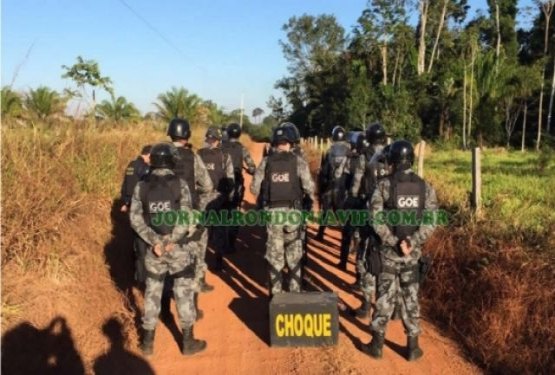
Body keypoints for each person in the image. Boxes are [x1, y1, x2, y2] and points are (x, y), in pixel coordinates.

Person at [361, 140, 438, 361]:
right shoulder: (425, 187)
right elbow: (430, 222)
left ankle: (377, 345)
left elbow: (375, 219)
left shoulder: (383, 185)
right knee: (411, 298)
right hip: (411, 255)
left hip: (388, 252)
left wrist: (393, 241)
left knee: (385, 297)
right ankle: (413, 348)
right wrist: (412, 242)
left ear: (393, 160)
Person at [130, 143, 206, 356]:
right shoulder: (179, 184)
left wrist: (155, 241)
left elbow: (135, 219)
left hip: (153, 250)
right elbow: (186, 215)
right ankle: (188, 342)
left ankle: (147, 343)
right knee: (183, 291)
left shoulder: (141, 186)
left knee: (152, 292)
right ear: (171, 161)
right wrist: (172, 239)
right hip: (177, 249)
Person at [250, 126, 315, 296]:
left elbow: (254, 188)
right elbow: (309, 187)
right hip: (293, 213)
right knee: (294, 258)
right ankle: (294, 295)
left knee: (275, 258)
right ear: (291, 142)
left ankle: (275, 298)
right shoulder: (298, 161)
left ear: (275, 143)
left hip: (272, 215)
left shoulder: (266, 162)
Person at [166, 118, 214, 294]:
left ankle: (165, 295)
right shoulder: (192, 157)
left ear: (169, 133)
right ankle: (191, 296)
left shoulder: (160, 154)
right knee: (193, 252)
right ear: (187, 135)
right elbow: (207, 185)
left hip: (163, 211)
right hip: (188, 213)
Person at [197, 127, 235, 271]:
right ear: (219, 140)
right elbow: (230, 179)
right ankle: (218, 260)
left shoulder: (199, 154)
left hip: (203, 198)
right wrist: (229, 198)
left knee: (202, 231)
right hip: (219, 198)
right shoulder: (224, 156)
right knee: (219, 230)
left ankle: (201, 262)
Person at [220, 122, 256, 251]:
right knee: (234, 211)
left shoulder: (221, 147)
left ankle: (219, 240)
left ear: (228, 133)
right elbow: (252, 167)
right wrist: (249, 170)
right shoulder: (242, 148)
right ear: (239, 134)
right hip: (237, 184)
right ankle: (231, 243)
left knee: (220, 210)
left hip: (221, 183)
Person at [120, 145, 151, 285]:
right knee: (142, 243)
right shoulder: (143, 168)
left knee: (136, 238)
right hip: (140, 208)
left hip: (130, 205)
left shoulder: (131, 165)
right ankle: (141, 278)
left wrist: (125, 202)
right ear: (148, 155)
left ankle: (136, 273)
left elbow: (125, 185)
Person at [315, 125, 350, 242]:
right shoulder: (350, 150)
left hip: (329, 187)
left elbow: (322, 172)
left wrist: (320, 191)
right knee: (343, 217)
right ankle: (347, 241)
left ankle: (320, 234)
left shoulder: (329, 151)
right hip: (343, 188)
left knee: (325, 212)